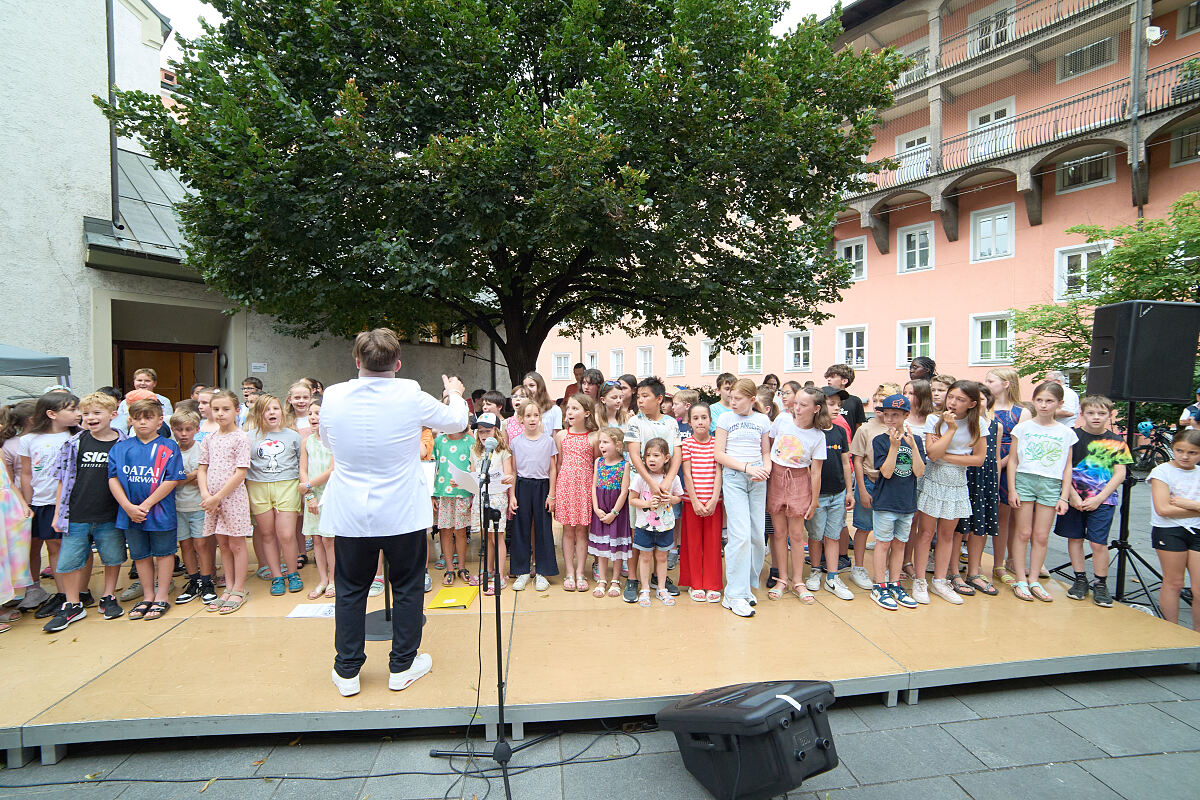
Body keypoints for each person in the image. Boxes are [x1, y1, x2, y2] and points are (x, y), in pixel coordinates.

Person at [320, 328, 468, 696]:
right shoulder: (410, 394)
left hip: (352, 512)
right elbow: (457, 422)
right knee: (407, 588)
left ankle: (348, 670)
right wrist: (455, 394)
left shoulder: (334, 397)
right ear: (397, 364)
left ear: (357, 362)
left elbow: (327, 441)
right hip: (402, 511)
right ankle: (402, 664)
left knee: (351, 590)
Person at [41, 393, 126, 631]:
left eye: (97, 413)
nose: (90, 418)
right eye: (86, 413)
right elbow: (61, 481)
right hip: (76, 514)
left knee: (112, 557)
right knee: (69, 561)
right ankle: (72, 603)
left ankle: (108, 596)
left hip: (109, 514)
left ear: (112, 415)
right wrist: (59, 513)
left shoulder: (123, 444)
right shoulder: (74, 443)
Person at [108, 398, 187, 621]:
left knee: (164, 553)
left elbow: (171, 479)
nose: (142, 422)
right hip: (130, 513)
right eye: (138, 418)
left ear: (159, 420)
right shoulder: (120, 448)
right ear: (130, 420)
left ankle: (162, 595)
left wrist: (146, 505)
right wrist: (127, 506)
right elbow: (113, 478)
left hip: (160, 512)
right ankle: (148, 594)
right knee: (140, 555)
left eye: (148, 417)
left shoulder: (168, 446)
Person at [914, 381, 987, 606]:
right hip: (934, 478)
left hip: (957, 480)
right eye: (951, 397)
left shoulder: (979, 424)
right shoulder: (934, 419)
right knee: (926, 532)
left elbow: (979, 459)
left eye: (960, 399)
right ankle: (919, 580)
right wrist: (951, 429)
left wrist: (948, 456)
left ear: (972, 404)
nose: (953, 403)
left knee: (947, 534)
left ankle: (940, 579)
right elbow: (932, 454)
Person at [1058, 395, 1132, 608]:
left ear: (1109, 415)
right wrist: (1071, 495)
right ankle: (1080, 579)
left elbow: (1120, 474)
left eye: (1101, 413)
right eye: (1091, 413)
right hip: (1074, 498)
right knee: (1075, 538)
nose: (1096, 417)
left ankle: (1100, 583)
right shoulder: (1072, 436)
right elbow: (1064, 467)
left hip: (1102, 501)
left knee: (1098, 542)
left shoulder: (1116, 440)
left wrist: (1099, 498)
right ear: (1082, 414)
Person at [1007, 381, 1077, 602]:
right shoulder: (1022, 428)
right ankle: (1020, 578)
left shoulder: (1066, 432)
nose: (1044, 405)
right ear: (1034, 401)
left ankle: (1034, 579)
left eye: (1049, 401)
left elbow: (1067, 467)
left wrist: (1064, 496)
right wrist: (1012, 489)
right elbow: (1013, 461)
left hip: (1050, 483)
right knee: (1023, 532)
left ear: (1059, 403)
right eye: (1040, 400)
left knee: (1041, 535)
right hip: (1025, 480)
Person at [19, 392, 80, 619]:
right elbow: (26, 474)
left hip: (71, 502)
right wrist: (28, 501)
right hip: (42, 502)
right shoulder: (28, 440)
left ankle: (77, 592)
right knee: (52, 546)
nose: (78, 414)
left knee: (71, 546)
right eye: (71, 409)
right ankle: (63, 593)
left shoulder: (78, 437)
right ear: (51, 414)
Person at [714, 378, 772, 618]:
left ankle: (746, 586)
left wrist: (765, 469)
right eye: (731, 397)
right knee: (739, 536)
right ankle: (734, 594)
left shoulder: (762, 420)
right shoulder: (725, 418)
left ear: (752, 399)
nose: (732, 402)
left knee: (757, 536)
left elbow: (766, 451)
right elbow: (719, 453)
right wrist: (747, 467)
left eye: (738, 399)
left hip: (758, 479)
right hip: (736, 477)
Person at [622, 377, 682, 602]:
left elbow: (677, 454)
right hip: (642, 486)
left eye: (645, 396)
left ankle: (659, 577)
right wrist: (652, 482)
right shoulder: (635, 423)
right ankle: (634, 579)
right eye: (638, 396)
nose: (640, 400)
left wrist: (667, 482)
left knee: (663, 533)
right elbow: (635, 455)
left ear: (659, 399)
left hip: (665, 488)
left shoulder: (671, 423)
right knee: (638, 534)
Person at [766, 386, 825, 599]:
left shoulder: (818, 436)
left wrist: (814, 500)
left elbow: (816, 471)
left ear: (816, 409)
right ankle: (782, 579)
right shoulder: (782, 420)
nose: (797, 408)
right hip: (776, 478)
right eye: (796, 402)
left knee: (797, 535)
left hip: (800, 481)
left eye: (803, 405)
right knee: (779, 533)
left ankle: (798, 580)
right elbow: (769, 445)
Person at [198, 389, 253, 614]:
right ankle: (228, 586)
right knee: (223, 544)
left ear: (237, 411)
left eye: (226, 409)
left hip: (232, 499)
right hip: (212, 501)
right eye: (216, 409)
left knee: (237, 543)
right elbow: (202, 468)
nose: (220, 414)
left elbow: (241, 472)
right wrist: (206, 496)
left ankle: (239, 588)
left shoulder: (241, 438)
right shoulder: (209, 439)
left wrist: (218, 496)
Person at [869, 394, 925, 610]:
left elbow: (919, 472)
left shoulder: (915, 440)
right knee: (883, 544)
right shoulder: (880, 440)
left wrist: (914, 448)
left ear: (906, 416)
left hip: (907, 503)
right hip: (885, 502)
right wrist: (894, 447)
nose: (890, 419)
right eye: (887, 414)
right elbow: (887, 472)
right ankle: (879, 585)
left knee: (900, 544)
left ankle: (895, 582)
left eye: (895, 415)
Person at [245, 394, 304, 596]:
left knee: (286, 534)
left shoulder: (293, 436)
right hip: (258, 487)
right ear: (259, 414)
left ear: (282, 411)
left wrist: (306, 489)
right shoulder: (249, 437)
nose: (271, 412)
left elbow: (301, 464)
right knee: (267, 534)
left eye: (275, 408)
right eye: (266, 409)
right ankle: (277, 575)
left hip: (287, 485)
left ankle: (293, 573)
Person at [1148, 429, 1200, 631]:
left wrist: (1191, 505)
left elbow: (1174, 508)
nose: (1185, 457)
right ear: (1172, 449)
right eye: (1179, 451)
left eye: (1192, 453)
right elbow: (1163, 509)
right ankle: (1172, 632)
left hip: (1197, 530)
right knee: (1174, 582)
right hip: (1169, 530)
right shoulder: (1162, 472)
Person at [804, 388, 854, 598]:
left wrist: (849, 491)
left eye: (838, 404)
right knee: (816, 536)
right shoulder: (810, 432)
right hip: (818, 496)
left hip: (838, 494)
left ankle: (832, 577)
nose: (837, 408)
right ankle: (815, 570)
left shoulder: (840, 432)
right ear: (819, 407)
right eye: (831, 404)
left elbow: (845, 462)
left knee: (833, 536)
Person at [983, 368, 1029, 586]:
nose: (987, 384)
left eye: (991, 381)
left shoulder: (1021, 412)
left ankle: (1007, 560)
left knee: (1010, 517)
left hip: (1010, 464)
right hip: (987, 463)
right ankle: (998, 562)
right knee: (997, 516)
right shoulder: (986, 408)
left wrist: (1001, 463)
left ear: (1006, 384)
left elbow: (1022, 446)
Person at [509, 400, 559, 591]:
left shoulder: (548, 441)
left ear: (540, 418)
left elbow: (553, 469)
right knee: (520, 528)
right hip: (522, 485)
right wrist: (512, 496)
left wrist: (551, 495)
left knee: (543, 528)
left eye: (535, 415)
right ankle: (521, 571)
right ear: (521, 419)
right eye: (528, 415)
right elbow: (513, 471)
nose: (532, 419)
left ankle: (542, 572)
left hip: (542, 486)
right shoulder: (515, 442)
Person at [628, 438, 684, 607]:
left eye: (656, 455)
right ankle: (644, 589)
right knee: (644, 557)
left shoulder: (672, 479)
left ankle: (661, 588)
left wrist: (671, 498)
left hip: (665, 527)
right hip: (644, 526)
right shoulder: (640, 478)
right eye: (647, 455)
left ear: (667, 458)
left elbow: (678, 498)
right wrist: (646, 504)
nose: (651, 459)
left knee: (662, 557)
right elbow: (632, 500)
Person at [957, 387, 1001, 598]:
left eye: (983, 398)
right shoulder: (960, 424)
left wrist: (997, 486)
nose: (979, 402)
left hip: (986, 479)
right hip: (964, 476)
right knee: (958, 526)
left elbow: (995, 458)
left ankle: (974, 571)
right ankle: (953, 570)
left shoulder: (995, 426)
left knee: (980, 526)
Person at [169, 410, 216, 606]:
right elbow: (172, 479)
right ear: (173, 430)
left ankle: (207, 581)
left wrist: (193, 476)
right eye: (179, 430)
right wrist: (192, 475)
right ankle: (193, 579)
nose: (183, 434)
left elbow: (206, 474)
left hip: (198, 506)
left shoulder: (202, 449)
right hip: (177, 507)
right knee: (185, 545)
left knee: (202, 545)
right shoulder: (171, 451)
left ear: (197, 430)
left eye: (188, 429)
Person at [555, 394, 597, 592]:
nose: (569, 412)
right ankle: (569, 572)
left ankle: (581, 571)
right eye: (568, 408)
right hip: (566, 485)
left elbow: (597, 464)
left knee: (582, 530)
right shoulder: (562, 436)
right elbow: (559, 463)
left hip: (585, 486)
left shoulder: (593, 437)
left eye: (575, 408)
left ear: (587, 413)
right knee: (568, 530)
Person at [679, 404, 721, 602]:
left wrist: (714, 499)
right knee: (692, 544)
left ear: (710, 420)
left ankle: (712, 584)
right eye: (695, 418)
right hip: (692, 502)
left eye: (704, 417)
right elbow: (687, 473)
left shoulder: (717, 444)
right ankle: (695, 583)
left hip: (714, 502)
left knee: (713, 544)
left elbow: (719, 472)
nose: (700, 421)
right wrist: (695, 500)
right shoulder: (686, 444)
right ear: (689, 422)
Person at [468, 413, 513, 596]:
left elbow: (509, 475)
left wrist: (507, 478)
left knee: (498, 536)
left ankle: (500, 575)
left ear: (496, 430)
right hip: (481, 496)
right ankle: (487, 571)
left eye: (487, 431)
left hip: (497, 497)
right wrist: (463, 480)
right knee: (487, 536)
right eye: (480, 432)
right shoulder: (475, 450)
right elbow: (472, 473)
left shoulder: (502, 451)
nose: (484, 435)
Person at [431, 404, 475, 587]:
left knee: (460, 532)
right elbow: (434, 468)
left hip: (463, 493)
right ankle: (449, 568)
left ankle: (462, 567)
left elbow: (473, 469)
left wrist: (472, 492)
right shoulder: (440, 441)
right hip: (443, 493)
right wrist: (433, 494)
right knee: (445, 531)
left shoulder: (470, 442)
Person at [589, 426, 631, 598]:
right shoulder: (598, 462)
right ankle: (602, 579)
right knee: (602, 546)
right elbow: (593, 485)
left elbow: (624, 490)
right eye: (600, 442)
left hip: (617, 511)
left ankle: (615, 579)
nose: (601, 446)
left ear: (618, 445)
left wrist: (614, 512)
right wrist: (596, 508)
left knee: (616, 545)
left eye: (606, 442)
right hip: (600, 508)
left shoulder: (625, 464)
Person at [300, 401, 336, 600]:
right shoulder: (307, 441)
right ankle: (322, 579)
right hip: (313, 495)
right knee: (316, 539)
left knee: (329, 539)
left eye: (318, 413)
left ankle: (333, 579)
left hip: (329, 494)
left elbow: (332, 470)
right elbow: (303, 469)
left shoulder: (334, 440)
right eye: (310, 413)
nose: (313, 417)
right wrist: (309, 494)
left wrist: (306, 486)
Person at [825, 364, 865, 436]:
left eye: (832, 377)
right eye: (827, 377)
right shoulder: (823, 398)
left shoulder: (855, 401)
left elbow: (858, 427)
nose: (828, 379)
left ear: (844, 381)